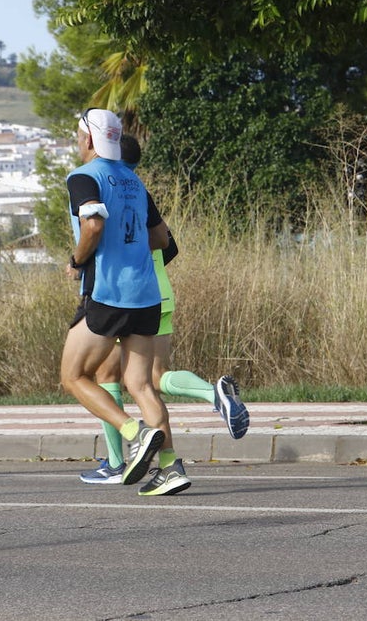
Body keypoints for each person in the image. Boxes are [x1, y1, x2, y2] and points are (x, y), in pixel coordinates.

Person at [79, 134, 249, 485]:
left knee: (108, 377)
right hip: (158, 293)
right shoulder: (139, 191)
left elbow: (97, 233)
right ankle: (209, 396)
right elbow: (168, 246)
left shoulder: (110, 189)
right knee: (153, 378)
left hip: (123, 295)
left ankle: (114, 462)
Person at [60, 109, 189, 496]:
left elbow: (94, 225)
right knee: (140, 385)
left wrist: (77, 260)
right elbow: (162, 239)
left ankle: (134, 434)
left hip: (108, 293)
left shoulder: (84, 177)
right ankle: (170, 468)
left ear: (88, 140)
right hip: (147, 295)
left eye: (78, 135)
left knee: (73, 376)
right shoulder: (134, 181)